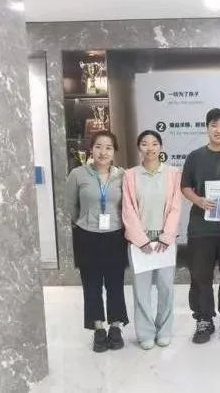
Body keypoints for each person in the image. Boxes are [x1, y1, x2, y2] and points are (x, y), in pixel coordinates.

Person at [181, 108, 220, 344]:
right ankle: (203, 319)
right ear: (207, 127)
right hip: (201, 228)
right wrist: (198, 200)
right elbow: (185, 186)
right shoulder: (195, 157)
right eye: (214, 125)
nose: (218, 130)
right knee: (200, 276)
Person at [66, 130, 128, 352]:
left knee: (115, 284)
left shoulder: (123, 175)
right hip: (87, 236)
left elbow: (128, 205)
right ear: (91, 149)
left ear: (114, 152)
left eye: (108, 147)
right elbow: (71, 206)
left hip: (115, 235)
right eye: (98, 146)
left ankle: (116, 326)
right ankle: (98, 328)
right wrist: (84, 221)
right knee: (91, 285)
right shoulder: (77, 174)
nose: (103, 152)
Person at [122, 130, 182, 350]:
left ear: (161, 147)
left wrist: (167, 236)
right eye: (145, 144)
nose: (150, 148)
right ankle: (145, 333)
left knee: (166, 288)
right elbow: (128, 208)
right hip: (140, 242)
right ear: (139, 147)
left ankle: (164, 330)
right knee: (141, 290)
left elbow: (176, 206)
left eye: (154, 143)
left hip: (165, 241)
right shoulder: (130, 175)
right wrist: (140, 239)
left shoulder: (173, 173)